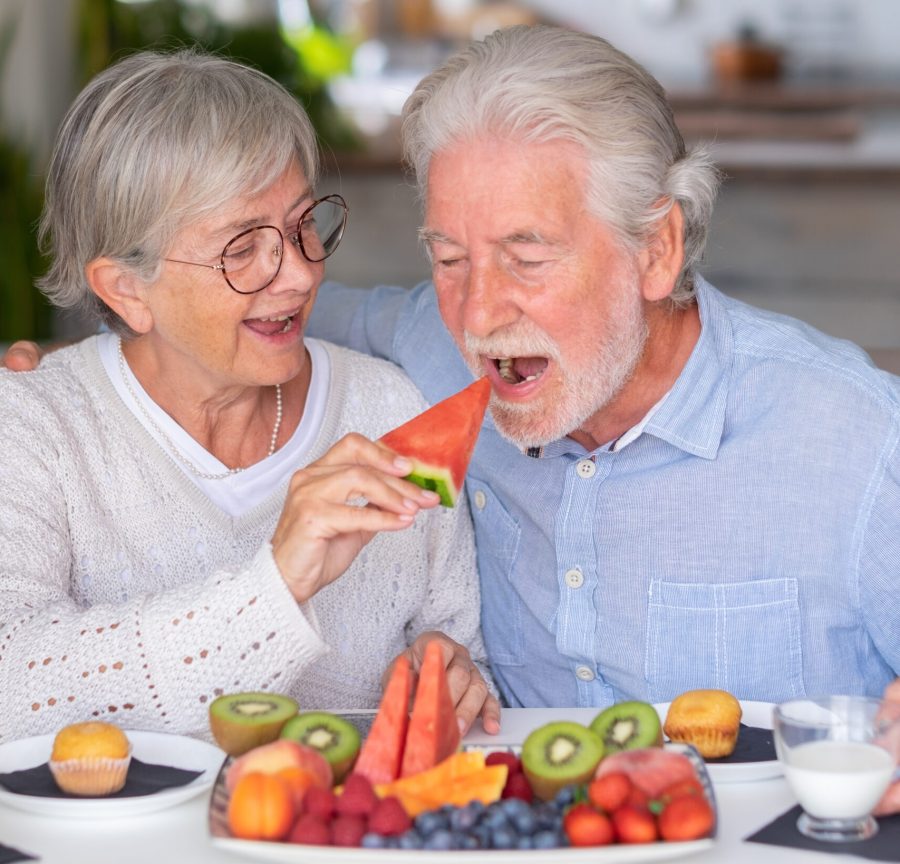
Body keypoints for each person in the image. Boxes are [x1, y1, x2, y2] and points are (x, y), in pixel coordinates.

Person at [5, 30, 898, 731]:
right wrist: (80, 366)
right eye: (449, 257)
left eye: (527, 254)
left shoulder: (856, 442)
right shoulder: (418, 354)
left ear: (656, 249)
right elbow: (241, 319)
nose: (477, 316)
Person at [0, 48, 499, 744]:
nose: (297, 275)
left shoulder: (392, 409)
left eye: (303, 227)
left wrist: (449, 671)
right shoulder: (33, 425)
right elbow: (12, 679)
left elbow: (456, 641)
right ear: (125, 290)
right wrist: (276, 585)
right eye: (242, 249)